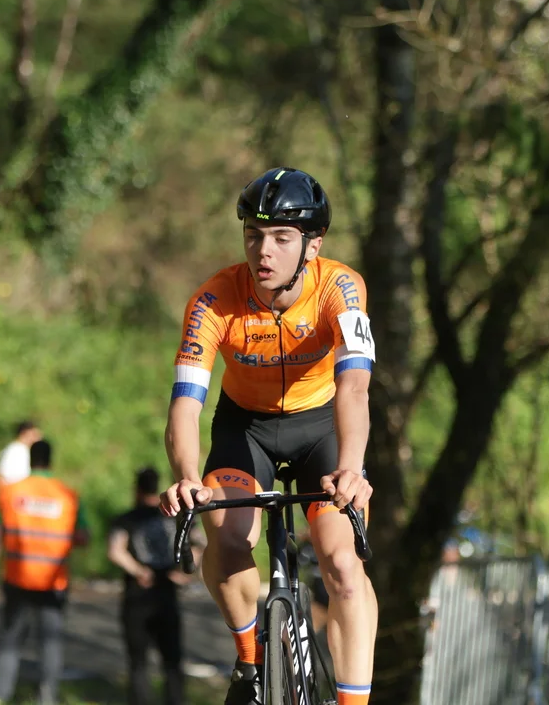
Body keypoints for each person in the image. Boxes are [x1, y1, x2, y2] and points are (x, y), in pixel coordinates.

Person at [159, 167, 378, 705]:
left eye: (282, 237)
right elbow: (186, 401)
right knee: (228, 533)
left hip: (321, 429)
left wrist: (351, 469)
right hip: (246, 429)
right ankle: (250, 662)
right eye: (254, 235)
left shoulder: (341, 288)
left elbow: (354, 388)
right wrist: (186, 477)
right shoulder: (214, 300)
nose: (264, 251)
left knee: (342, 564)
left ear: (312, 245)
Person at [0, 440, 89, 705]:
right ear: (50, 460)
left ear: (30, 459)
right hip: (53, 582)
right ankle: (47, 698)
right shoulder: (67, 495)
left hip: (17, 579)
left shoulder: (10, 492)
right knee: (50, 643)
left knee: (10, 640)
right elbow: (83, 537)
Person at [109, 467, 203, 705]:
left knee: (138, 662)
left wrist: (138, 571)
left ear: (137, 488)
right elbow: (199, 542)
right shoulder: (171, 515)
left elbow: (115, 551)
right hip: (167, 592)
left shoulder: (128, 518)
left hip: (137, 594)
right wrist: (185, 572)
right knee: (172, 660)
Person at [0, 420, 42, 486]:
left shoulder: (24, 450)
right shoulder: (15, 450)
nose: (38, 439)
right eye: (34, 435)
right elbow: (2, 477)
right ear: (23, 434)